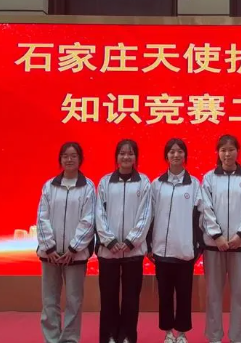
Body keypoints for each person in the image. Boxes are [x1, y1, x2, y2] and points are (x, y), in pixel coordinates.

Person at [148, 138, 222, 343]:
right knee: (164, 295)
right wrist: (148, 245)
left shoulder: (194, 184)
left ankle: (181, 333)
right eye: (172, 152)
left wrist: (199, 246)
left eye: (180, 151)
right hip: (161, 250)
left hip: (185, 250)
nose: (176, 155)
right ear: (166, 156)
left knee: (183, 294)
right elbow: (149, 216)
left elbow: (202, 216)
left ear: (185, 156)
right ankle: (168, 333)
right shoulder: (156, 185)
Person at [201, 134, 241, 343]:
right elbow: (205, 209)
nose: (227, 154)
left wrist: (240, 236)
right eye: (223, 150)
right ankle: (214, 337)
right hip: (214, 246)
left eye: (231, 150)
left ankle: (238, 337)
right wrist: (217, 236)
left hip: (240, 246)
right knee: (213, 295)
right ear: (218, 153)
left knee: (240, 295)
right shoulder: (209, 178)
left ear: (238, 152)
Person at [36, 141, 96, 343]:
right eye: (65, 156)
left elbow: (88, 220)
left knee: (74, 301)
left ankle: (70, 339)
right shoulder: (49, 186)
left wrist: (73, 248)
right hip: (50, 255)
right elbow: (42, 217)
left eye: (73, 156)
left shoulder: (88, 187)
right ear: (60, 159)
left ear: (80, 159)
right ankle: (52, 339)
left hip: (75, 256)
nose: (69, 160)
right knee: (49, 300)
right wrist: (49, 247)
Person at [95, 139, 152, 343]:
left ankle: (127, 335)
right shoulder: (105, 182)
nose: (126, 157)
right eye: (122, 153)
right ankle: (109, 335)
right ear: (116, 157)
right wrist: (109, 241)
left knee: (131, 298)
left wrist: (130, 241)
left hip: (133, 252)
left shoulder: (144, 182)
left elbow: (146, 214)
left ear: (136, 157)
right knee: (108, 297)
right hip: (108, 252)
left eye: (130, 153)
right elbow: (99, 214)